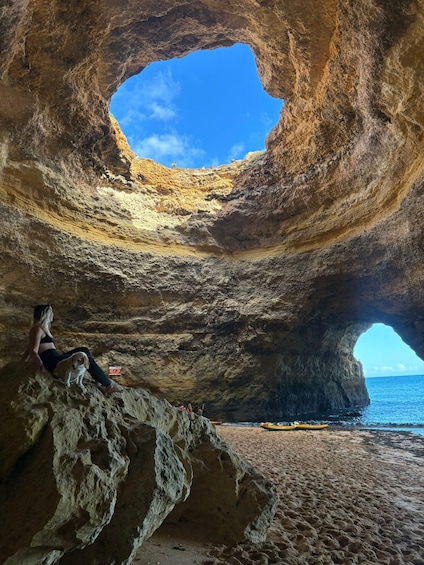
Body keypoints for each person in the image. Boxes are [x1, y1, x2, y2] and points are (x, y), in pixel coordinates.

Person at [22, 304, 123, 394]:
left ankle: (97, 377)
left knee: (84, 350)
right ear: (44, 314)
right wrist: (40, 365)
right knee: (84, 355)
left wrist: (21, 362)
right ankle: (109, 385)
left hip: (56, 357)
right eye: (50, 312)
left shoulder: (42, 329)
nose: (53, 314)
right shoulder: (37, 329)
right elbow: (32, 350)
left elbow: (28, 348)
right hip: (52, 360)